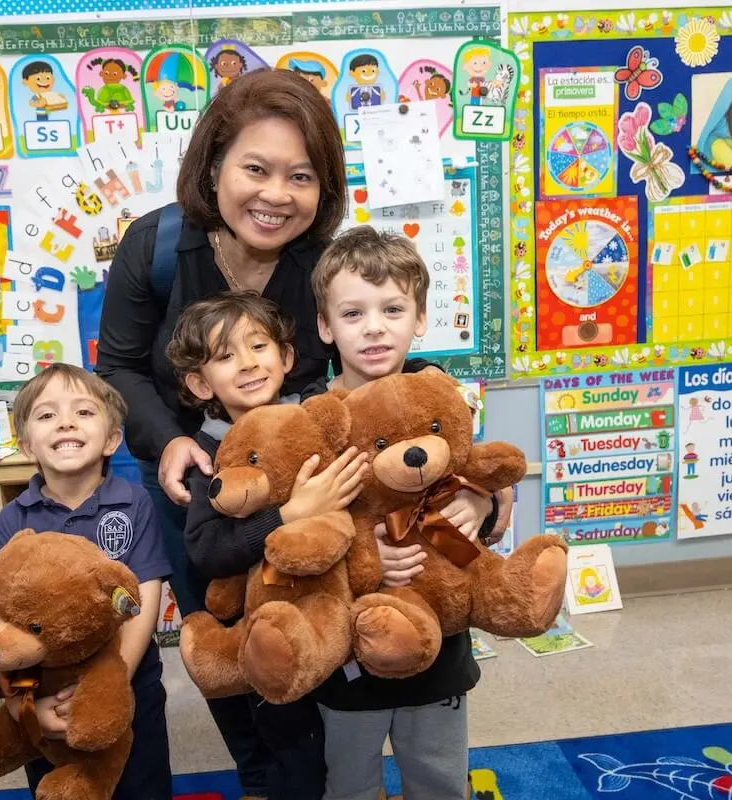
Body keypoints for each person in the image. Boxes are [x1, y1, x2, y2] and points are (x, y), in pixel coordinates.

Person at [95, 68, 347, 799]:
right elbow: (117, 365)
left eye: (301, 176)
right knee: (219, 624)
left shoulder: (320, 261)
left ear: (322, 188)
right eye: (257, 169)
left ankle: (314, 769)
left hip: (294, 468)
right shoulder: (157, 245)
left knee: (303, 614)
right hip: (183, 469)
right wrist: (171, 441)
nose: (276, 195)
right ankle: (260, 774)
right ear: (213, 166)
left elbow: (364, 355)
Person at [306, 226, 511, 800]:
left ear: (419, 318)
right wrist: (366, 557)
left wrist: (480, 498)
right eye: (352, 313)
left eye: (392, 309)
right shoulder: (315, 420)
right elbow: (303, 528)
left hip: (439, 643)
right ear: (326, 326)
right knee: (348, 778)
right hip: (352, 641)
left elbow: (496, 478)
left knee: (439, 773)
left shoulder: (442, 396)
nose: (374, 326)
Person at [168, 291, 369, 798]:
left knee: (348, 751)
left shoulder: (317, 421)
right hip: (267, 632)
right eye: (225, 356)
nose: (248, 363)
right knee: (293, 756)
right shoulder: (210, 457)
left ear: (286, 357)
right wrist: (289, 515)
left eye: (258, 346)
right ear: (199, 382)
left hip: (335, 618)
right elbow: (207, 552)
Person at [0, 363, 172, 799]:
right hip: (45, 693)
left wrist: (114, 681)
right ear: (27, 445)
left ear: (112, 439)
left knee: (141, 783)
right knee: (60, 788)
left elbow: (144, 597)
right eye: (47, 415)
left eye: (83, 412)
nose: (65, 421)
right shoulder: (14, 520)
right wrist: (21, 707)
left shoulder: (133, 503)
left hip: (128, 685)